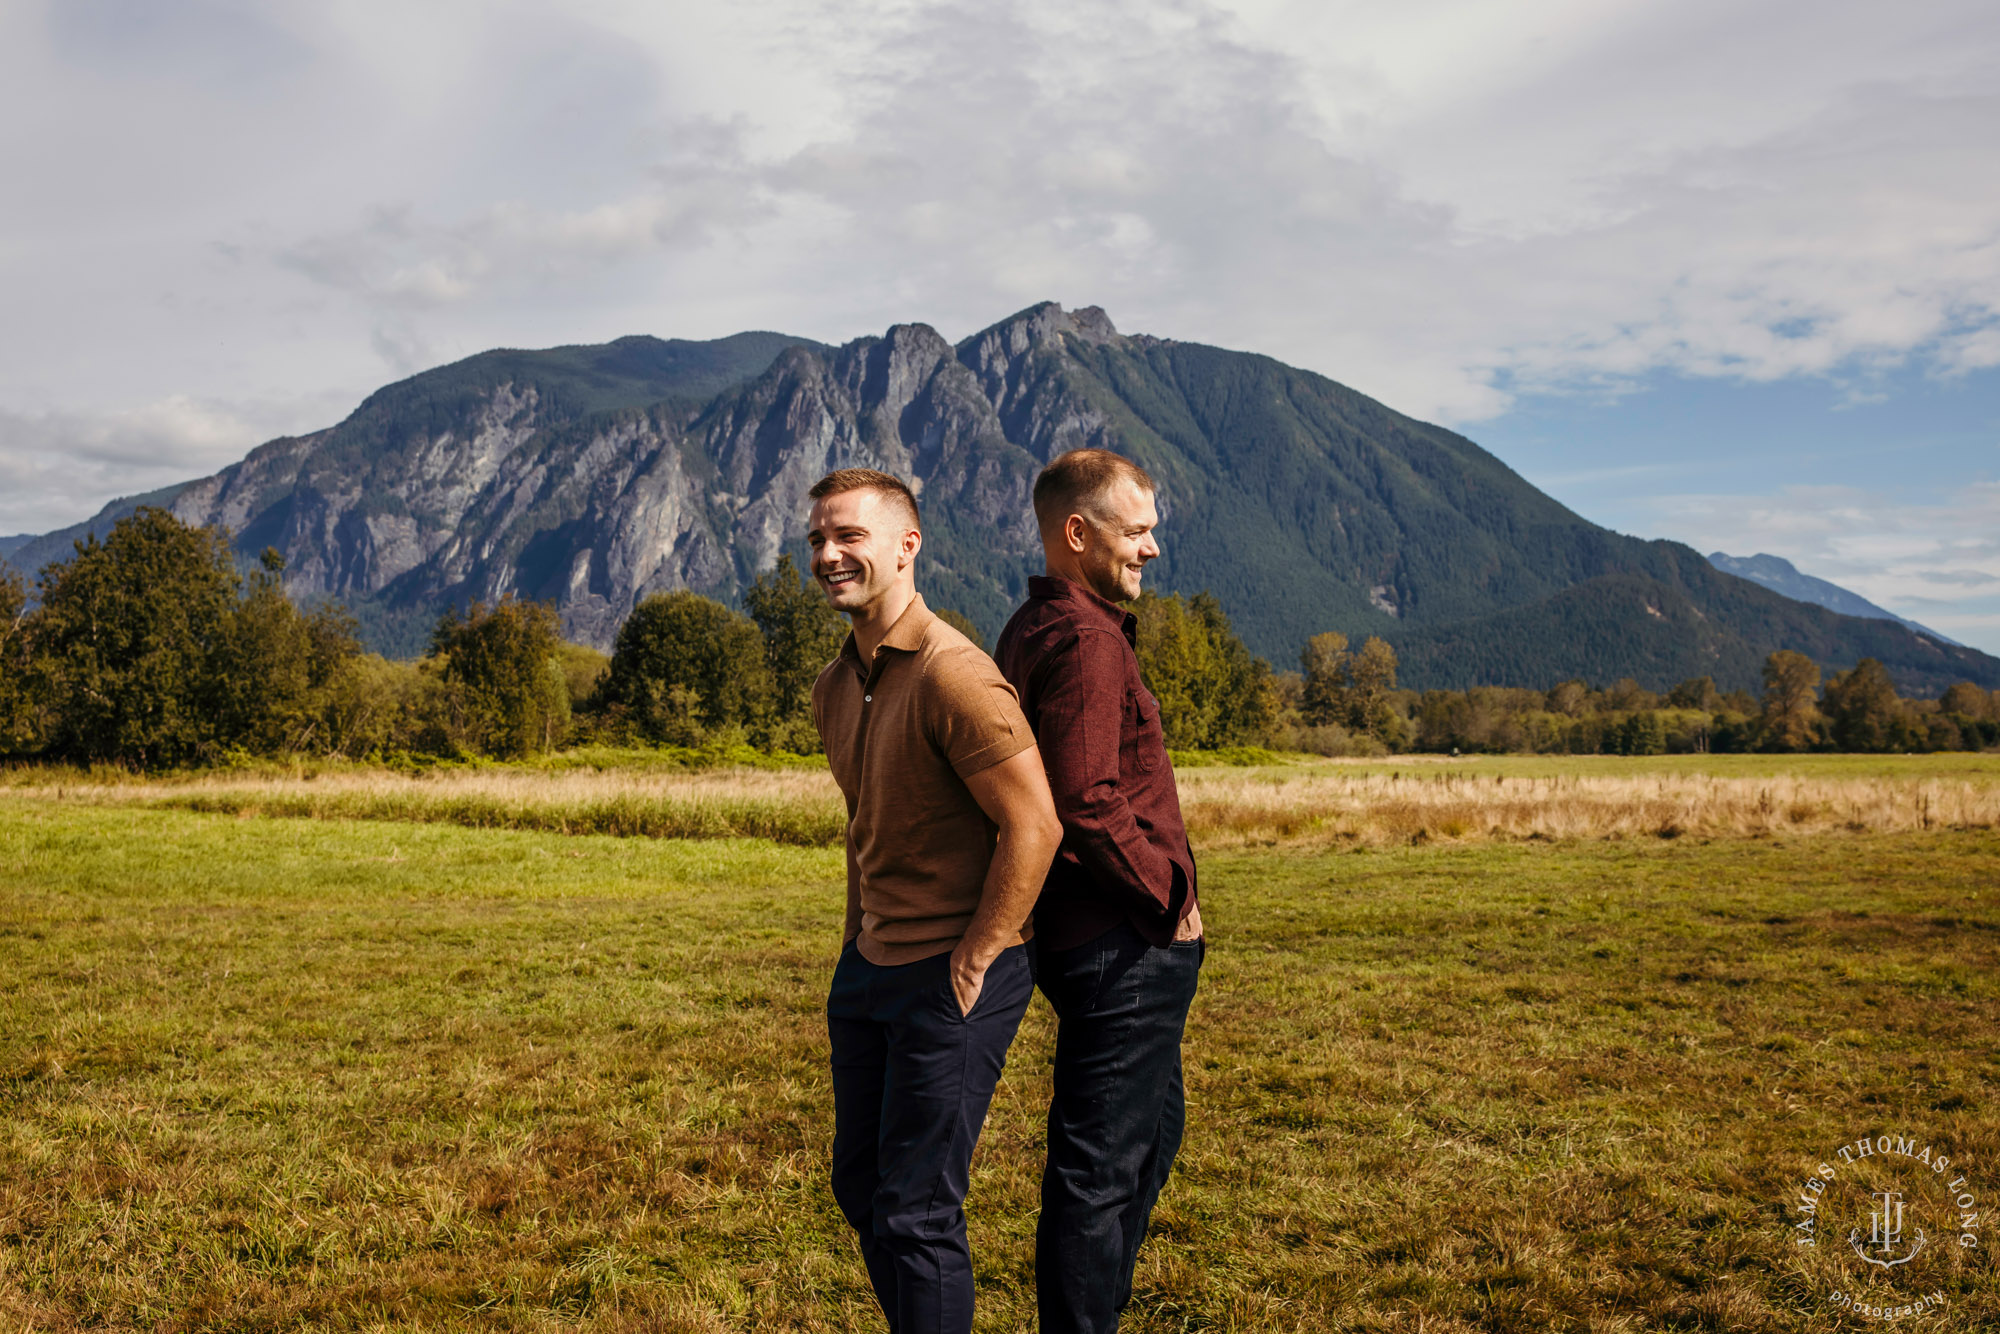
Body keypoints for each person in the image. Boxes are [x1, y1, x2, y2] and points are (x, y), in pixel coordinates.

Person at [806, 467, 1064, 1334]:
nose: (830, 554)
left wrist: (980, 953)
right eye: (817, 539)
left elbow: (1034, 827)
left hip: (954, 977)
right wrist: (853, 943)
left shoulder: (957, 675)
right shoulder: (835, 685)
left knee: (917, 1212)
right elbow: (865, 826)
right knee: (861, 1185)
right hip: (871, 969)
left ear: (907, 546)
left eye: (850, 536)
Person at [993, 448, 1203, 1334]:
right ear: (1077, 534)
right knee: (1098, 1171)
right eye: (1138, 529)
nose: (1153, 548)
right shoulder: (1083, 640)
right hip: (1119, 943)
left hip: (1098, 939)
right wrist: (1164, 897)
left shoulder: (1037, 626)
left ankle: (1099, 1306)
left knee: (1151, 1136)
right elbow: (1085, 799)